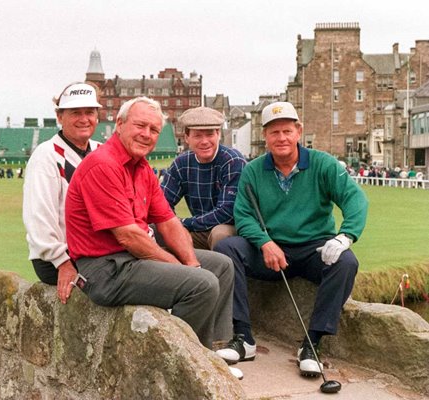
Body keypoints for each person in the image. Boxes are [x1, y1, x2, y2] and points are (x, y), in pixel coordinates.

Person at [65, 97, 242, 379]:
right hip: (106, 269)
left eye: (154, 129)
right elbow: (129, 236)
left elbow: (169, 222)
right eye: (140, 125)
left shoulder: (142, 167)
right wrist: (179, 266)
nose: (147, 134)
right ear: (120, 125)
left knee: (220, 266)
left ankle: (205, 352)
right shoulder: (103, 165)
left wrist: (191, 263)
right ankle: (176, 366)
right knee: (201, 284)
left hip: (131, 260)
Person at [214, 102, 368, 377]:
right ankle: (243, 338)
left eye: (287, 131)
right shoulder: (253, 170)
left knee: (346, 262)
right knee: (227, 247)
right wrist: (265, 243)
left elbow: (355, 199)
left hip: (314, 247)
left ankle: (312, 344)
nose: (281, 138)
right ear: (266, 136)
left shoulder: (323, 164)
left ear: (299, 132)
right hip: (271, 251)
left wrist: (346, 235)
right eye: (274, 133)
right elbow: (244, 215)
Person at [23, 82, 102, 305]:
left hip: (92, 250)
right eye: (76, 112)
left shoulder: (99, 150)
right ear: (60, 116)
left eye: (89, 112)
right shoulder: (46, 155)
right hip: (57, 259)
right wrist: (62, 262)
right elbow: (38, 218)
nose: (84, 119)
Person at [161, 107, 246, 250]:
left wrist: (185, 223)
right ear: (187, 138)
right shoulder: (182, 163)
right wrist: (174, 225)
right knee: (157, 231)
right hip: (198, 228)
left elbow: (227, 212)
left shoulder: (233, 161)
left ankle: (221, 272)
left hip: (231, 228)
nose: (204, 141)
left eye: (209, 134)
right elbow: (162, 203)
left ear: (218, 134)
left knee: (220, 234)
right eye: (197, 136)